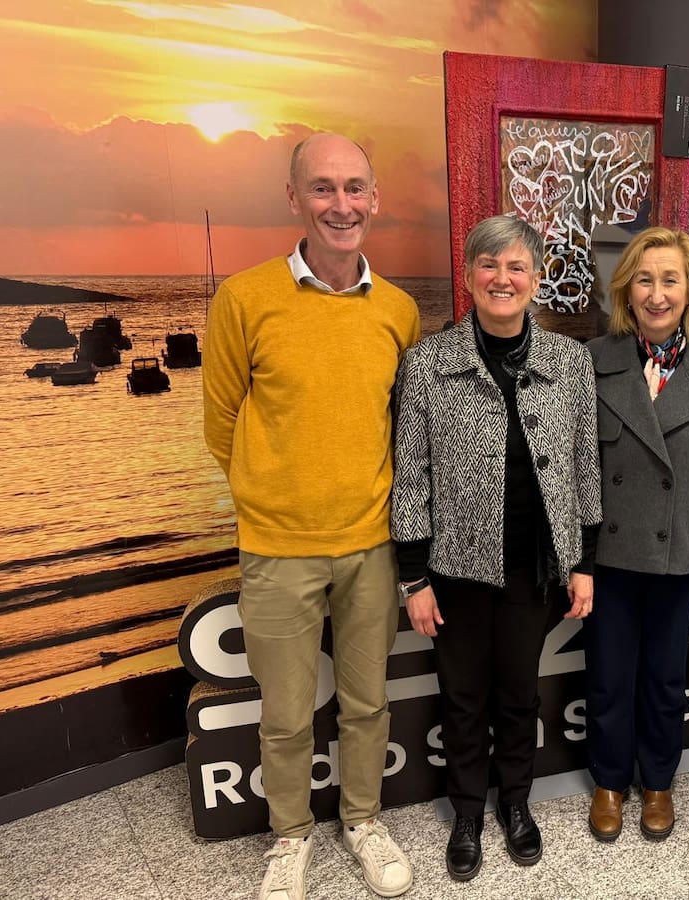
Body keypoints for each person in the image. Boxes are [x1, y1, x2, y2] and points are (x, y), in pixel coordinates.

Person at [203, 133, 419, 900]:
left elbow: (403, 425)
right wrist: (270, 500)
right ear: (293, 197)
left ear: (375, 198)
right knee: (287, 714)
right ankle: (289, 838)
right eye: (323, 188)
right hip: (277, 550)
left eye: (354, 187)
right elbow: (220, 419)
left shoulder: (396, 311)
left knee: (367, 703)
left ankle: (362, 819)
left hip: (371, 547)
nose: (341, 204)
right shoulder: (245, 299)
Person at [390, 215, 603, 882]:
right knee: (462, 698)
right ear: (470, 276)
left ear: (536, 279)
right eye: (489, 265)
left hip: (534, 568)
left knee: (518, 693)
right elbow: (410, 473)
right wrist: (413, 578)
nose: (502, 278)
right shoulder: (427, 364)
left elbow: (583, 466)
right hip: (454, 571)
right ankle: (465, 814)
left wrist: (586, 563)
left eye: (516, 267)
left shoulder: (569, 362)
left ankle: (516, 803)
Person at [582, 227, 689, 843]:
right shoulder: (594, 360)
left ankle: (657, 781)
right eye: (645, 280)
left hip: (681, 548)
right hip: (610, 550)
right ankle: (607, 779)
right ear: (626, 289)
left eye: (670, 279)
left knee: (664, 676)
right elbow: (576, 463)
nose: (657, 294)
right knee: (607, 671)